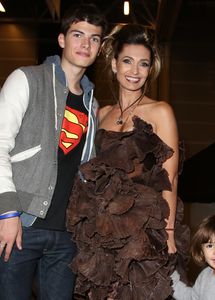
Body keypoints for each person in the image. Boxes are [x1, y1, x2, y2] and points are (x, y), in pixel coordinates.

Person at [66, 24, 190, 300]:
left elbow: (170, 176)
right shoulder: (101, 114)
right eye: (128, 61)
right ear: (113, 64)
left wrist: (168, 233)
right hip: (102, 230)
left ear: (150, 69)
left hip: (144, 231)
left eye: (143, 64)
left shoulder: (160, 111)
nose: (135, 71)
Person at [0, 3, 107, 299]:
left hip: (67, 235)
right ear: (61, 39)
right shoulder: (25, 79)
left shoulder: (92, 105)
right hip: (20, 224)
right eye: (78, 34)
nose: (86, 44)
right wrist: (7, 213)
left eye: (94, 38)